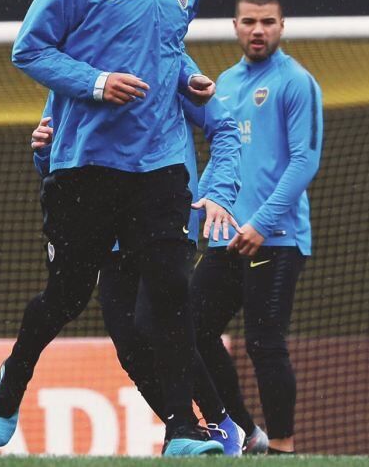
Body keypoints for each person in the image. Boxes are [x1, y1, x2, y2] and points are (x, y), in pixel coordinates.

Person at [0, 0, 226, 456]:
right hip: (86, 163)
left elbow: (166, 51)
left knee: (170, 287)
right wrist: (96, 83)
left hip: (162, 160)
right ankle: (12, 378)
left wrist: (190, 78)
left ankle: (183, 431)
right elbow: (29, 50)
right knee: (67, 296)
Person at [30, 90, 245, 455]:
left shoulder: (166, 57)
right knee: (129, 344)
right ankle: (191, 433)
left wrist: (218, 190)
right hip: (108, 229)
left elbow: (223, 127)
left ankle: (222, 424)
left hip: (164, 216)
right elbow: (61, 159)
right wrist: (43, 150)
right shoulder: (67, 79)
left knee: (155, 321)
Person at [190, 0, 323, 456]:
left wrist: (262, 223)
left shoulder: (296, 82)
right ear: (235, 27)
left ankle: (284, 449)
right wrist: (203, 209)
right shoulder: (223, 83)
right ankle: (246, 433)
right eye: (249, 22)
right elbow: (221, 157)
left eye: (268, 22)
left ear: (282, 27)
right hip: (229, 237)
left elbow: (304, 161)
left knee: (264, 343)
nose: (258, 30)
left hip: (277, 238)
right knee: (190, 327)